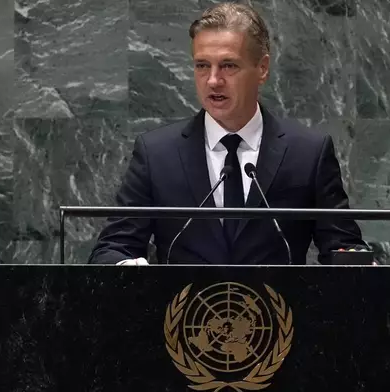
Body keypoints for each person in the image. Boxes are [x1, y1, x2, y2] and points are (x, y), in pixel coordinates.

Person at [88, 2, 367, 266]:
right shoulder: (156, 153)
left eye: (228, 65)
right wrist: (126, 271)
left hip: (277, 314)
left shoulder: (308, 152)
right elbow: (114, 247)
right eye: (202, 66)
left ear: (262, 68)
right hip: (184, 314)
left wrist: (360, 265)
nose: (213, 80)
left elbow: (342, 246)